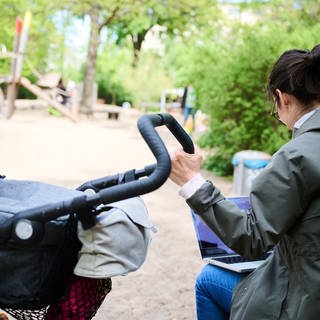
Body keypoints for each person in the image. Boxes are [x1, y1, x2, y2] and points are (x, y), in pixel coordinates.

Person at [169, 43, 320, 320]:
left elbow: (252, 238)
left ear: (282, 98)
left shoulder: (297, 155)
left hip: (305, 302)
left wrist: (192, 181)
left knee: (208, 280)